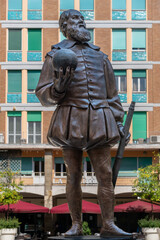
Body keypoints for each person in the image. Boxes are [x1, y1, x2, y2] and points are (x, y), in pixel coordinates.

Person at [36, 9, 132, 237]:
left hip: (100, 120)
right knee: (74, 175)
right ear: (64, 27)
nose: (81, 23)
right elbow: (42, 94)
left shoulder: (101, 57)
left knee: (105, 174)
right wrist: (57, 89)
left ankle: (108, 224)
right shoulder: (55, 55)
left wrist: (119, 124)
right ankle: (76, 224)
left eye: (82, 20)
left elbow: (112, 95)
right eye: (75, 20)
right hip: (70, 121)